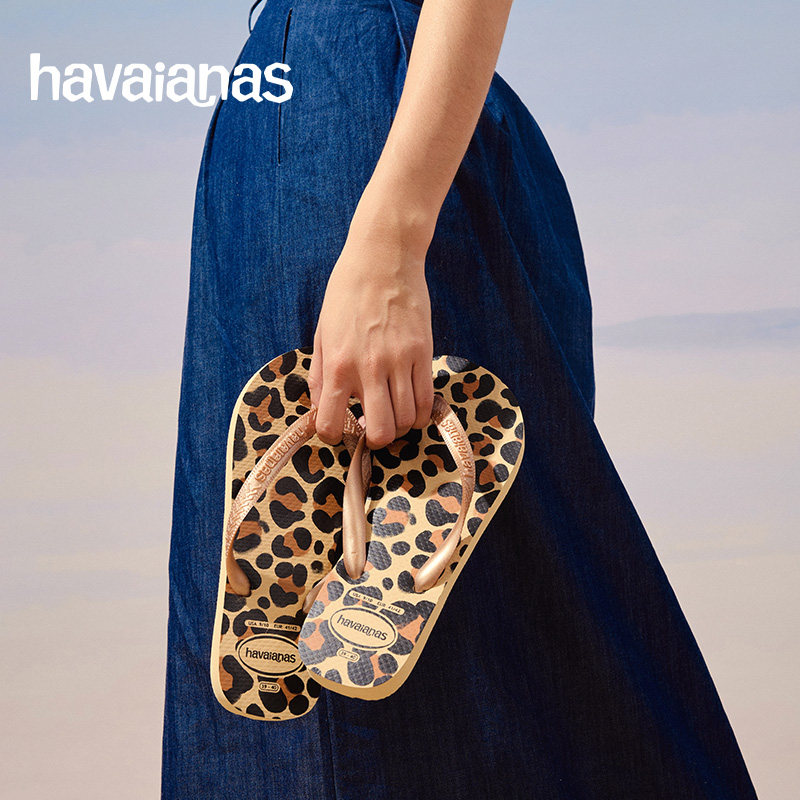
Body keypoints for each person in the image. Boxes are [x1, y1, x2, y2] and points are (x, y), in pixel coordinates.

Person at [161, 1, 759, 797]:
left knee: (368, 710)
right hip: (371, 124)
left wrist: (393, 238)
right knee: (504, 663)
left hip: (355, 137)